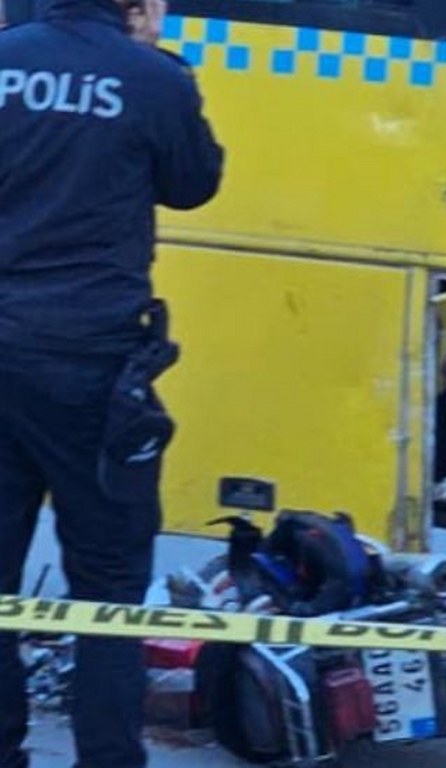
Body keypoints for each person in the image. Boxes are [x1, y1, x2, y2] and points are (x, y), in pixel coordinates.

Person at [0, 0, 224, 766]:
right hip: (92, 369)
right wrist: (150, 55)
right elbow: (194, 183)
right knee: (109, 583)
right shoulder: (152, 78)